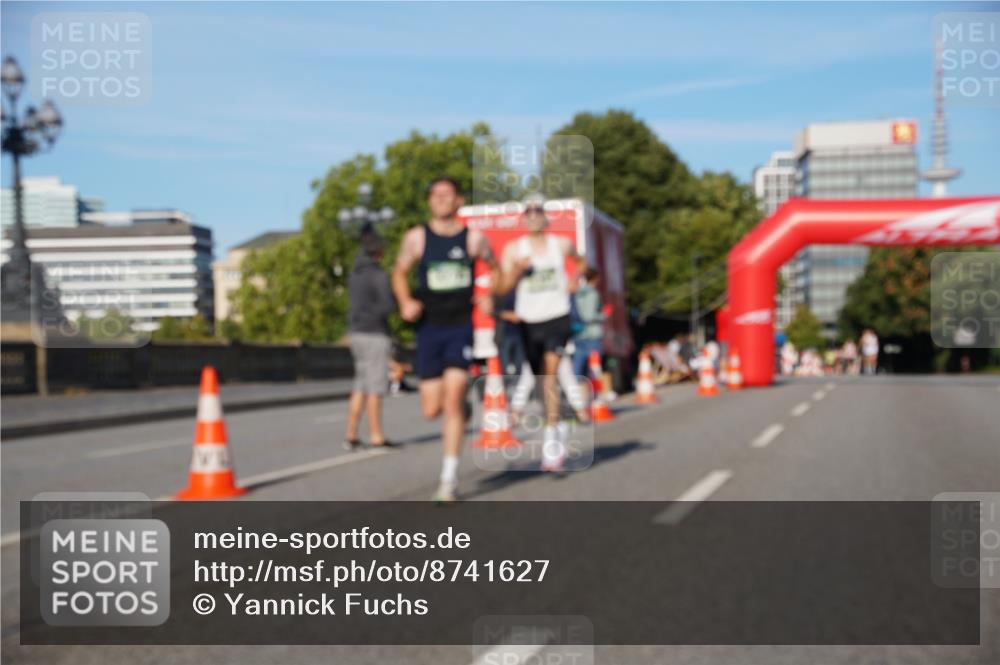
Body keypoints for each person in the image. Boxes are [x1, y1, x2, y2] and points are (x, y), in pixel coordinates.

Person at [392, 177, 497, 503]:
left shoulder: (474, 239)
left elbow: (496, 269)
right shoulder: (417, 238)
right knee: (430, 409)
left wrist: (490, 295)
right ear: (429, 202)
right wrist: (405, 300)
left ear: (458, 201)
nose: (441, 200)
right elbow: (398, 272)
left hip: (459, 328)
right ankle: (461, 404)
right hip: (429, 329)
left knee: (451, 401)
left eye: (447, 195)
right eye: (435, 195)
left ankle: (447, 480)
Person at [498, 195, 584, 473]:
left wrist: (574, 280)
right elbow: (502, 286)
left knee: (548, 378)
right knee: (540, 381)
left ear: (545, 217)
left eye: (538, 211)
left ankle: (551, 449)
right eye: (529, 211)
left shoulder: (560, 244)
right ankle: (557, 428)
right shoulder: (514, 249)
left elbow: (581, 261)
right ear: (523, 218)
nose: (534, 215)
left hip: (557, 317)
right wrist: (517, 271)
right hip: (529, 320)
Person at [344, 226, 399, 450]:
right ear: (380, 252)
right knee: (376, 387)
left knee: (361, 385)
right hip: (375, 333)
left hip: (356, 332)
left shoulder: (354, 274)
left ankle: (351, 434)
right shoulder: (378, 275)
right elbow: (388, 306)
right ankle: (377, 435)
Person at [571, 266, 606, 379]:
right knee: (594, 366)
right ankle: (595, 394)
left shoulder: (578, 292)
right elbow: (589, 316)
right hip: (592, 334)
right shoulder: (592, 293)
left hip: (578, 332)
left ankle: (575, 393)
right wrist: (603, 316)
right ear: (596, 278)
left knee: (578, 367)